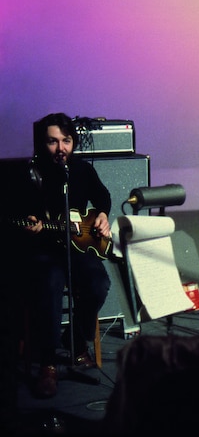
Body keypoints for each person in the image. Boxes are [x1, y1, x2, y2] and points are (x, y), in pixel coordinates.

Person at [16, 113, 113, 399]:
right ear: (42, 144)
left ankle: (75, 340)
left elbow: (103, 197)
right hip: (46, 249)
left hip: (79, 247)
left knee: (99, 285)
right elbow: (23, 211)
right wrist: (30, 221)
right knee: (49, 285)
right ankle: (48, 363)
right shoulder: (31, 174)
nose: (61, 148)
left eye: (66, 141)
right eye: (53, 142)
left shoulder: (81, 170)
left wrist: (104, 216)